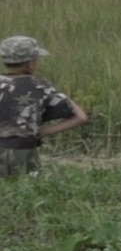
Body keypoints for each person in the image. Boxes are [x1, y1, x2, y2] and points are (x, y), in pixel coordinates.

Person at [0, 36, 89, 176]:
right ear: (30, 64)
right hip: (22, 153)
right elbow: (81, 117)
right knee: (26, 192)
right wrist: (40, 132)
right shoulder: (40, 86)